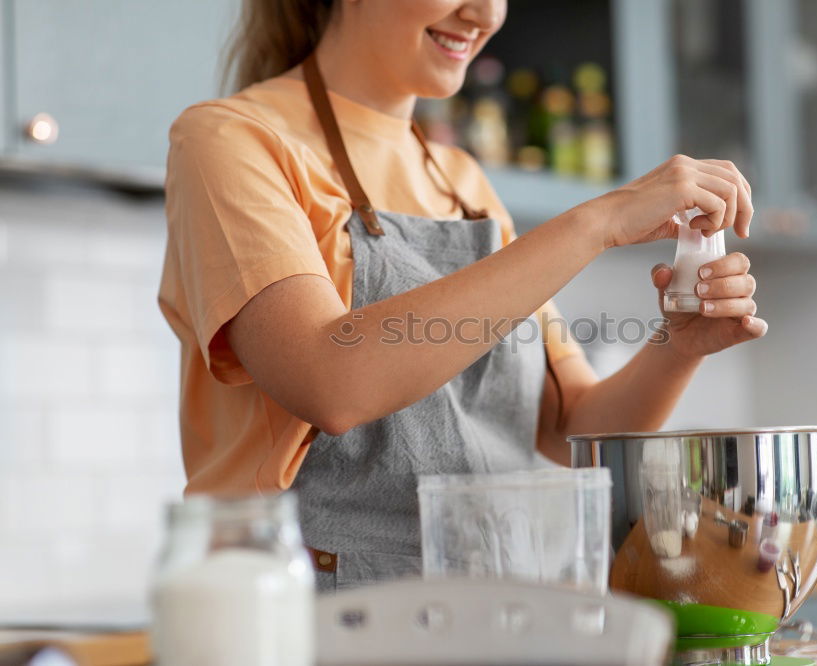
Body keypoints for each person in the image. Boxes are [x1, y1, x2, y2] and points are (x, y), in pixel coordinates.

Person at [158, 0, 766, 591]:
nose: (485, 13)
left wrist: (679, 346)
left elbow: (573, 424)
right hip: (312, 616)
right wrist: (597, 222)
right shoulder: (231, 139)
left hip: (489, 605)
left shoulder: (462, 182)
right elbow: (331, 383)